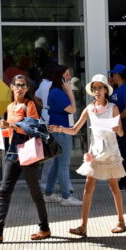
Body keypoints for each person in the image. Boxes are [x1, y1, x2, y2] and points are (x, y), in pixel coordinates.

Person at [50, 74, 126, 236]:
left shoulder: (113, 108)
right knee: (88, 187)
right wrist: (60, 128)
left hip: (110, 152)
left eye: (100, 88)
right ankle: (83, 226)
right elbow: (75, 130)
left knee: (114, 186)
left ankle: (121, 222)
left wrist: (117, 129)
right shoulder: (89, 108)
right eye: (94, 88)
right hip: (95, 152)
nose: (97, 91)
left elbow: (121, 133)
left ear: (106, 90)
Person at [0, 74, 50, 242]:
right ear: (11, 87)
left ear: (27, 88)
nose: (20, 88)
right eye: (17, 85)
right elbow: (10, 132)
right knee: (4, 191)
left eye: (23, 85)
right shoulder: (10, 107)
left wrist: (10, 125)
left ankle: (45, 228)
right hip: (13, 153)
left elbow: (31, 129)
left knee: (35, 192)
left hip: (28, 153)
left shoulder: (30, 105)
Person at [43, 65, 81, 206]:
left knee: (57, 164)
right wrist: (70, 92)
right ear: (60, 77)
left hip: (60, 130)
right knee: (63, 165)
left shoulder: (57, 91)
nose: (70, 77)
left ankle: (48, 193)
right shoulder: (57, 92)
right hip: (61, 131)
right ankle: (66, 197)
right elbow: (72, 109)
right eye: (67, 75)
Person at [109, 64, 126, 190]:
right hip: (117, 124)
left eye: (113, 74)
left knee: (123, 151)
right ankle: (122, 179)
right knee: (119, 151)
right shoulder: (117, 89)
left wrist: (118, 118)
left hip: (124, 124)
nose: (112, 76)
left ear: (118, 75)